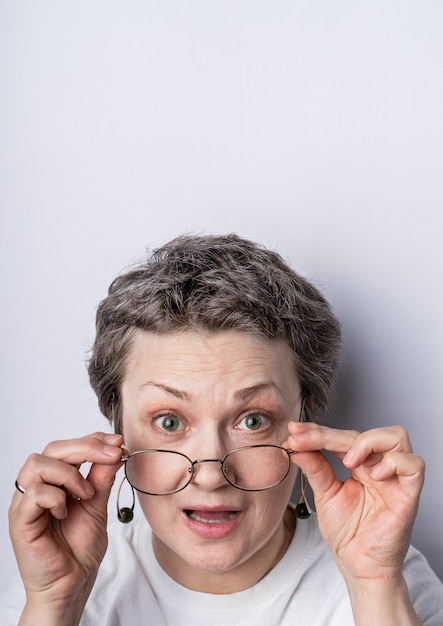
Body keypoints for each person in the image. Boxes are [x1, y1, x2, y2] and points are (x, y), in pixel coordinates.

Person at [2, 234, 443, 626]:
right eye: (169, 422)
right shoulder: (50, 584)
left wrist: (375, 585)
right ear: (117, 432)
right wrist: (56, 603)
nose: (210, 475)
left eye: (252, 421)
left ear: (304, 425)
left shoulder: (388, 577)